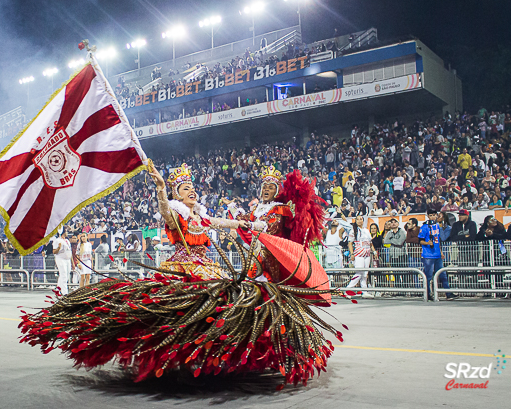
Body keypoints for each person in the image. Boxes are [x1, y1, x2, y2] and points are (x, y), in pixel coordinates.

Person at [20, 161, 342, 386]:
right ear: (176, 195)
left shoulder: (200, 214)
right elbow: (165, 211)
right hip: (182, 267)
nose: (191, 191)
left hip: (208, 267)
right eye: (185, 188)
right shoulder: (175, 213)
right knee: (182, 314)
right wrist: (162, 190)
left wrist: (243, 224)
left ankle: (214, 353)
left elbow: (221, 224)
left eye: (191, 187)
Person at [418, 209, 456, 301]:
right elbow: (420, 241)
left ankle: (448, 294)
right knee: (428, 276)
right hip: (428, 255)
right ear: (428, 216)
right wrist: (427, 243)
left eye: (434, 215)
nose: (433, 217)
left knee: (443, 274)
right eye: (430, 215)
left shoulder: (438, 227)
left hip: (437, 254)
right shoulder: (424, 227)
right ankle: (428, 294)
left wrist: (441, 252)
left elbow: (439, 240)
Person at [346, 215, 374, 298]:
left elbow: (370, 242)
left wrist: (374, 251)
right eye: (357, 219)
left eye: (361, 219)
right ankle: (348, 290)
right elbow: (350, 243)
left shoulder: (366, 230)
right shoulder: (353, 231)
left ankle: (364, 291)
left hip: (367, 253)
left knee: (365, 273)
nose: (359, 221)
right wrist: (352, 254)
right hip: (358, 253)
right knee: (359, 273)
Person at [52, 229, 73, 295]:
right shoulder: (57, 240)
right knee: (63, 274)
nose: (67, 232)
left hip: (67, 259)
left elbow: (70, 251)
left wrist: (72, 262)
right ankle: (64, 292)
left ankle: (59, 288)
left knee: (66, 275)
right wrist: (58, 248)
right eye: (66, 231)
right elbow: (54, 251)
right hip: (60, 258)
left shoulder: (67, 241)